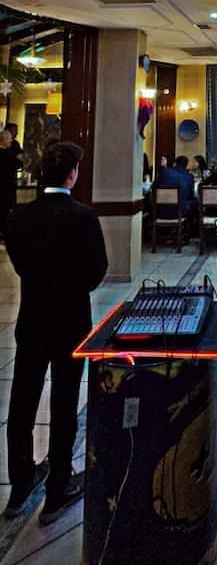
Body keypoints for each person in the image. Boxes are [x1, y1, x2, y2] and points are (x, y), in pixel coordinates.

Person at [4, 141, 108, 523]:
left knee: (22, 401)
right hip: (70, 320)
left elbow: (19, 264)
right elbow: (97, 269)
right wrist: (74, 286)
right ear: (72, 175)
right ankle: (58, 487)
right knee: (65, 402)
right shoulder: (83, 217)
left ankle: (20, 484)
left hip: (32, 318)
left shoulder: (19, 217)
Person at [0, 128, 19, 240]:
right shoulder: (9, 157)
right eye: (10, 139)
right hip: (6, 191)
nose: (11, 141)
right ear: (4, 140)